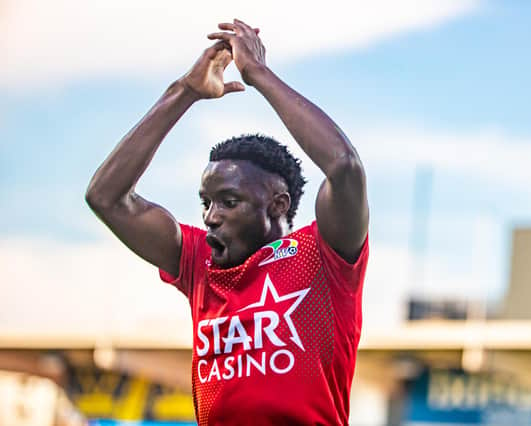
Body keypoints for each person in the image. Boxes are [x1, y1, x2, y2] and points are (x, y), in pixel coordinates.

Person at [85, 18, 369, 426]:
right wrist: (185, 91)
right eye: (206, 202)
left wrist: (258, 74)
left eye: (229, 202)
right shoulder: (199, 262)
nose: (211, 216)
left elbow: (344, 167)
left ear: (277, 204)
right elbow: (105, 197)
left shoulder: (322, 258)